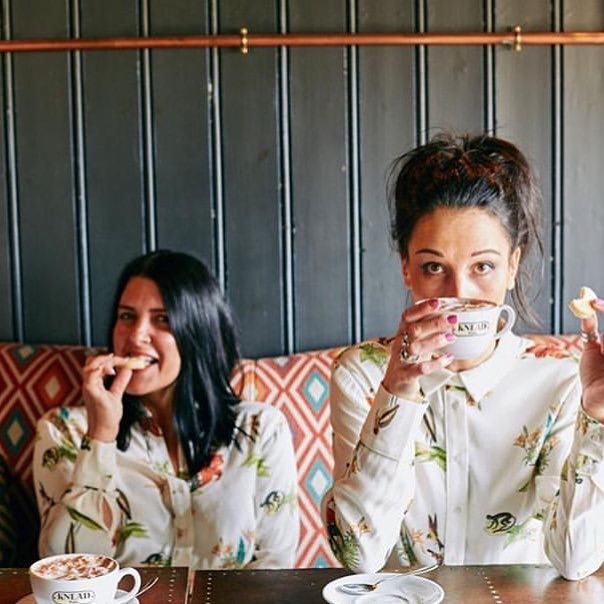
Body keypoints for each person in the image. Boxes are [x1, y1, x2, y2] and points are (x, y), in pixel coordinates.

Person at [322, 133, 604, 580]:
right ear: (405, 266)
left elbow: (575, 561)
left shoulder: (557, 380)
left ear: (513, 265)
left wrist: (597, 418)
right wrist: (398, 392)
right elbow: (358, 556)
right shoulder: (363, 375)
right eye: (434, 267)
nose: (460, 294)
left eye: (483, 266)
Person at [34, 250, 299, 569]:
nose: (135, 336)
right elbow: (65, 567)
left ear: (198, 331)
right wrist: (101, 435)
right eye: (127, 316)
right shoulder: (64, 432)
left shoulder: (262, 429)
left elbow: (276, 566)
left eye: (163, 319)